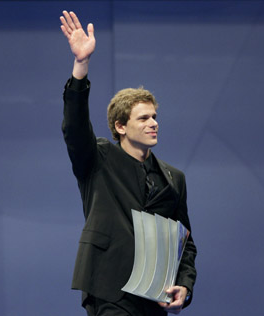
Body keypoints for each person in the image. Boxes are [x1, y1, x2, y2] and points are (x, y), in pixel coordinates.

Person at [60, 11, 197, 316]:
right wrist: (81, 66)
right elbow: (75, 127)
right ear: (120, 126)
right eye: (144, 118)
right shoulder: (98, 160)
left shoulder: (174, 178)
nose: (154, 124)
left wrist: (185, 286)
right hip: (109, 290)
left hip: (153, 296)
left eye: (155, 117)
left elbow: (185, 243)